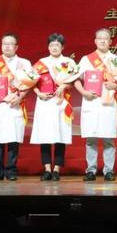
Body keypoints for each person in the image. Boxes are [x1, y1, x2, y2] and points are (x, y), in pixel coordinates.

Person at [74, 28, 117, 182]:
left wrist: (115, 86)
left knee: (109, 139)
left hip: (108, 103)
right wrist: (83, 92)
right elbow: (75, 79)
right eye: (100, 38)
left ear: (110, 41)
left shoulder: (116, 60)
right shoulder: (86, 59)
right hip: (91, 102)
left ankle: (109, 171)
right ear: (95, 41)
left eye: (106, 38)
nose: (103, 41)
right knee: (91, 139)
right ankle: (91, 170)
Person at [0, 33, 32, 181]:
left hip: (14, 105)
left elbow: (29, 84)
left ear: (16, 47)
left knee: (13, 138)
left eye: (10, 44)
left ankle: (11, 170)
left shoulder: (24, 63)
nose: (7, 46)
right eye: (4, 43)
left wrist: (20, 98)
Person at [30, 33, 78, 181]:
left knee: (60, 135)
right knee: (44, 135)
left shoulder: (68, 62)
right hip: (44, 102)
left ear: (62, 47)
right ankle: (47, 169)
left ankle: (56, 169)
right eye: (51, 45)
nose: (54, 48)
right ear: (48, 47)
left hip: (61, 101)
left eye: (57, 45)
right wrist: (38, 93)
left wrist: (63, 86)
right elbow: (30, 82)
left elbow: (73, 82)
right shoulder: (41, 63)